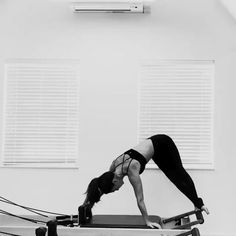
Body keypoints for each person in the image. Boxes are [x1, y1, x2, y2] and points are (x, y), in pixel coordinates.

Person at [83, 134, 209, 229]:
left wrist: (147, 221)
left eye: (115, 189)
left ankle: (198, 202)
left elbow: (140, 200)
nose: (118, 189)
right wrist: (87, 205)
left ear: (115, 180)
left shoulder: (132, 170)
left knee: (178, 174)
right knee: (172, 178)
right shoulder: (112, 169)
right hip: (155, 149)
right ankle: (196, 202)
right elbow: (99, 184)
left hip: (164, 143)